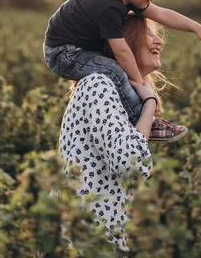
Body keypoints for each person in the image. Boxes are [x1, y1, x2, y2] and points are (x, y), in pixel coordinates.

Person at [45, 0, 201, 142]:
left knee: (117, 73)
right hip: (62, 53)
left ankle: (138, 119)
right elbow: (122, 51)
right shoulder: (107, 6)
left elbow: (162, 14)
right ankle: (144, 120)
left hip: (78, 48)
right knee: (116, 71)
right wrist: (140, 83)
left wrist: (196, 27)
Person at [60, 14, 172, 251]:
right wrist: (150, 104)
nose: (158, 41)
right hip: (82, 242)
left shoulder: (115, 93)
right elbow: (130, 165)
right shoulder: (99, 84)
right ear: (124, 42)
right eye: (148, 34)